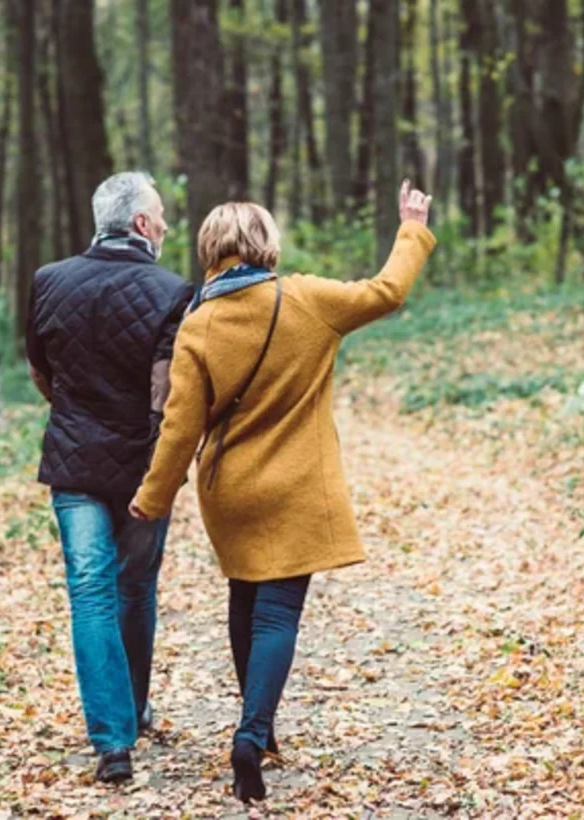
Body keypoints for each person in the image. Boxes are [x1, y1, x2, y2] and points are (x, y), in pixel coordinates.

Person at [128, 180, 435, 802]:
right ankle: (252, 732)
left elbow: (180, 425)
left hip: (230, 492)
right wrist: (410, 227)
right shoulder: (308, 299)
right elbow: (387, 291)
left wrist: (153, 497)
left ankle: (255, 728)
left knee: (245, 598)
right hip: (296, 487)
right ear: (265, 243)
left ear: (211, 248)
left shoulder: (199, 324)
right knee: (278, 612)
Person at [25, 171, 194, 784]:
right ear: (143, 225)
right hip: (144, 466)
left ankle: (112, 741)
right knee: (134, 585)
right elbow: (168, 393)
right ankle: (136, 707)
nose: (168, 227)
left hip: (73, 460)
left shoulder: (48, 281)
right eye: (163, 217)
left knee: (89, 590)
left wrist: (74, 413)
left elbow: (40, 370)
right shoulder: (174, 291)